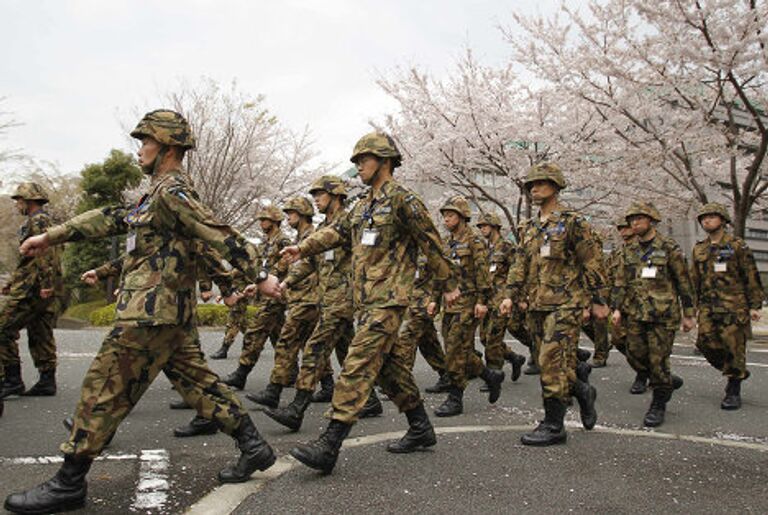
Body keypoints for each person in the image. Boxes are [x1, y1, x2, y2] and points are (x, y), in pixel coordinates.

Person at [3, 110, 282, 515]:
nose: (139, 150)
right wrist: (53, 235)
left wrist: (258, 275)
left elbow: (216, 232)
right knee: (201, 386)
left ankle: (69, 482)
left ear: (167, 148)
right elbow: (113, 218)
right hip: (167, 314)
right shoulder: (158, 193)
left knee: (103, 388)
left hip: (150, 313)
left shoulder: (172, 192)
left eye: (145, 142)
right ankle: (254, 447)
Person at [281, 132, 460, 473]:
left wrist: (448, 284)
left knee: (356, 365)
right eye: (357, 161)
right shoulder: (363, 206)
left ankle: (329, 445)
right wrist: (301, 248)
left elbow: (431, 244)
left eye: (364, 159)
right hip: (365, 303)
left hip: (390, 301)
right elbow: (334, 233)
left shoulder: (405, 201)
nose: (358, 166)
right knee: (391, 373)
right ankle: (421, 428)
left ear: (385, 161)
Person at [503, 163, 608, 446]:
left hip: (566, 303)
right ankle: (583, 392)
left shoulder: (573, 222)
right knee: (551, 361)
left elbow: (591, 261)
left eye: (541, 183)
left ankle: (553, 425)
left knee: (550, 362)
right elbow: (519, 264)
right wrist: (509, 295)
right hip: (537, 304)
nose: (534, 188)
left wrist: (598, 299)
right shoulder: (528, 227)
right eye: (531, 184)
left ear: (556, 186)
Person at [263, 175, 359, 431]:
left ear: (337, 195)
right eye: (314, 195)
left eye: (320, 194)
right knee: (355, 354)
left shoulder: (347, 222)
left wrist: (303, 248)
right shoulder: (322, 228)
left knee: (315, 349)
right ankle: (379, 403)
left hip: (342, 300)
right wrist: (286, 282)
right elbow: (309, 262)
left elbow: (326, 242)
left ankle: (296, 409)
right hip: (328, 301)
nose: (316, 199)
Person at [612, 201, 694, 427]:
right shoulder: (629, 250)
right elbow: (621, 281)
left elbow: (683, 281)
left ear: (651, 220)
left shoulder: (669, 247)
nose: (634, 223)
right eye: (631, 220)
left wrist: (689, 313)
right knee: (634, 354)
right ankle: (665, 381)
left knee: (658, 360)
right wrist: (617, 308)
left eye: (639, 218)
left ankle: (658, 403)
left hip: (663, 314)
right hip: (636, 312)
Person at [431, 196, 504, 417]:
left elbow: (483, 274)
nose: (446, 219)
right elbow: (440, 274)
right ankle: (490, 376)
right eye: (444, 215)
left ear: (463, 216)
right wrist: (434, 298)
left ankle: (455, 398)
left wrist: (482, 301)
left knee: (454, 351)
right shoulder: (446, 242)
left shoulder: (475, 241)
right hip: (449, 305)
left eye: (450, 215)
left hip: (469, 303)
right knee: (456, 349)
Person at [246, 197, 320, 409]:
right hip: (299, 296)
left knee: (289, 342)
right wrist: (268, 283)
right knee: (313, 345)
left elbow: (306, 266)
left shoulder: (311, 237)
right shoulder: (300, 237)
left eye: (292, 213)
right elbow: (284, 267)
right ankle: (332, 388)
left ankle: (275, 392)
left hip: (309, 298)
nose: (288, 217)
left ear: (303, 213)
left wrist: (283, 283)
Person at [691, 203, 763, 410]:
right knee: (704, 343)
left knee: (734, 348)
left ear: (722, 220)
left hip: (734, 306)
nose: (706, 220)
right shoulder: (699, 249)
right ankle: (735, 370)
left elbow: (750, 274)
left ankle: (733, 388)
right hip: (707, 306)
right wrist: (691, 307)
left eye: (711, 216)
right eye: (703, 217)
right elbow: (694, 278)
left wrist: (755, 305)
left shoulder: (738, 245)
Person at [0, 182, 63, 400]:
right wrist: (13, 281)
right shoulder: (40, 221)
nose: (17, 204)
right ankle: (47, 380)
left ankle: (12, 379)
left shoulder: (39, 221)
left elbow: (46, 254)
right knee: (40, 329)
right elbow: (29, 259)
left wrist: (46, 283)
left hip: (32, 288)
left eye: (19, 200)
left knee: (3, 327)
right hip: (35, 284)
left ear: (29, 200)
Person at [221, 206, 291, 390]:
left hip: (276, 293)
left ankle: (241, 374)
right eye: (260, 220)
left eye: (264, 220)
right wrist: (230, 277)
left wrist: (264, 281)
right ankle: (291, 372)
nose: (261, 223)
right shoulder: (265, 243)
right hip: (267, 293)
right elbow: (257, 266)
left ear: (275, 221)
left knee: (255, 332)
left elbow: (283, 267)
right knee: (279, 336)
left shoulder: (283, 241)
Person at [476, 212, 526, 382]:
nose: (482, 229)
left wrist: (515, 297)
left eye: (485, 225)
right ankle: (513, 358)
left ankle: (494, 374)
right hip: (487, 299)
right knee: (483, 338)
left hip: (501, 300)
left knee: (493, 339)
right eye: (480, 226)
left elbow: (517, 271)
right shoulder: (485, 249)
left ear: (495, 226)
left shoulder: (507, 247)